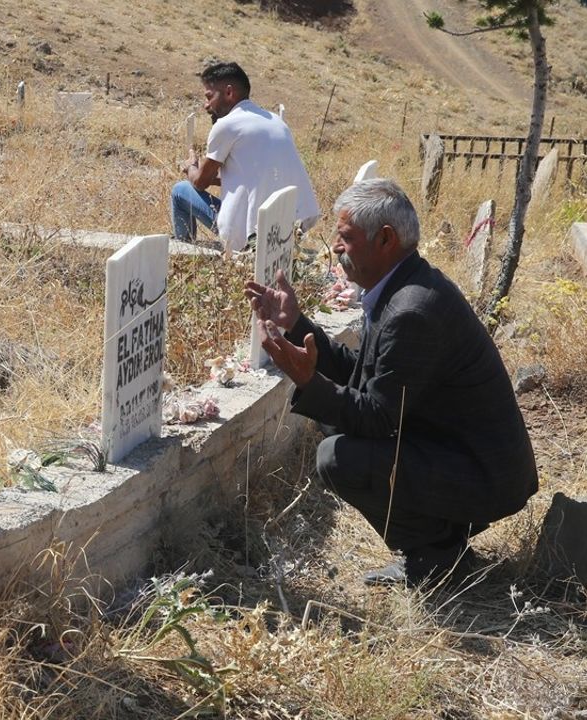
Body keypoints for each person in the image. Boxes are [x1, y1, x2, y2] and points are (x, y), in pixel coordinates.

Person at [245, 179, 538, 586]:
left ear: (385, 239)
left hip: (484, 476)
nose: (334, 246)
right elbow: (366, 375)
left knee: (337, 456)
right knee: (334, 419)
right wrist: (295, 326)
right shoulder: (402, 286)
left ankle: (433, 559)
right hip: (462, 456)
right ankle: (442, 541)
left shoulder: (412, 310)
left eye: (345, 237)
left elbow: (378, 418)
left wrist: (309, 380)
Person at [171, 61, 319, 252]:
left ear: (229, 92)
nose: (206, 105)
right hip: (289, 226)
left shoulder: (226, 125)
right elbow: (251, 178)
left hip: (249, 235)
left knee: (181, 189)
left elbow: (199, 182)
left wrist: (191, 166)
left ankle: (184, 252)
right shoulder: (276, 121)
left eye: (209, 97)